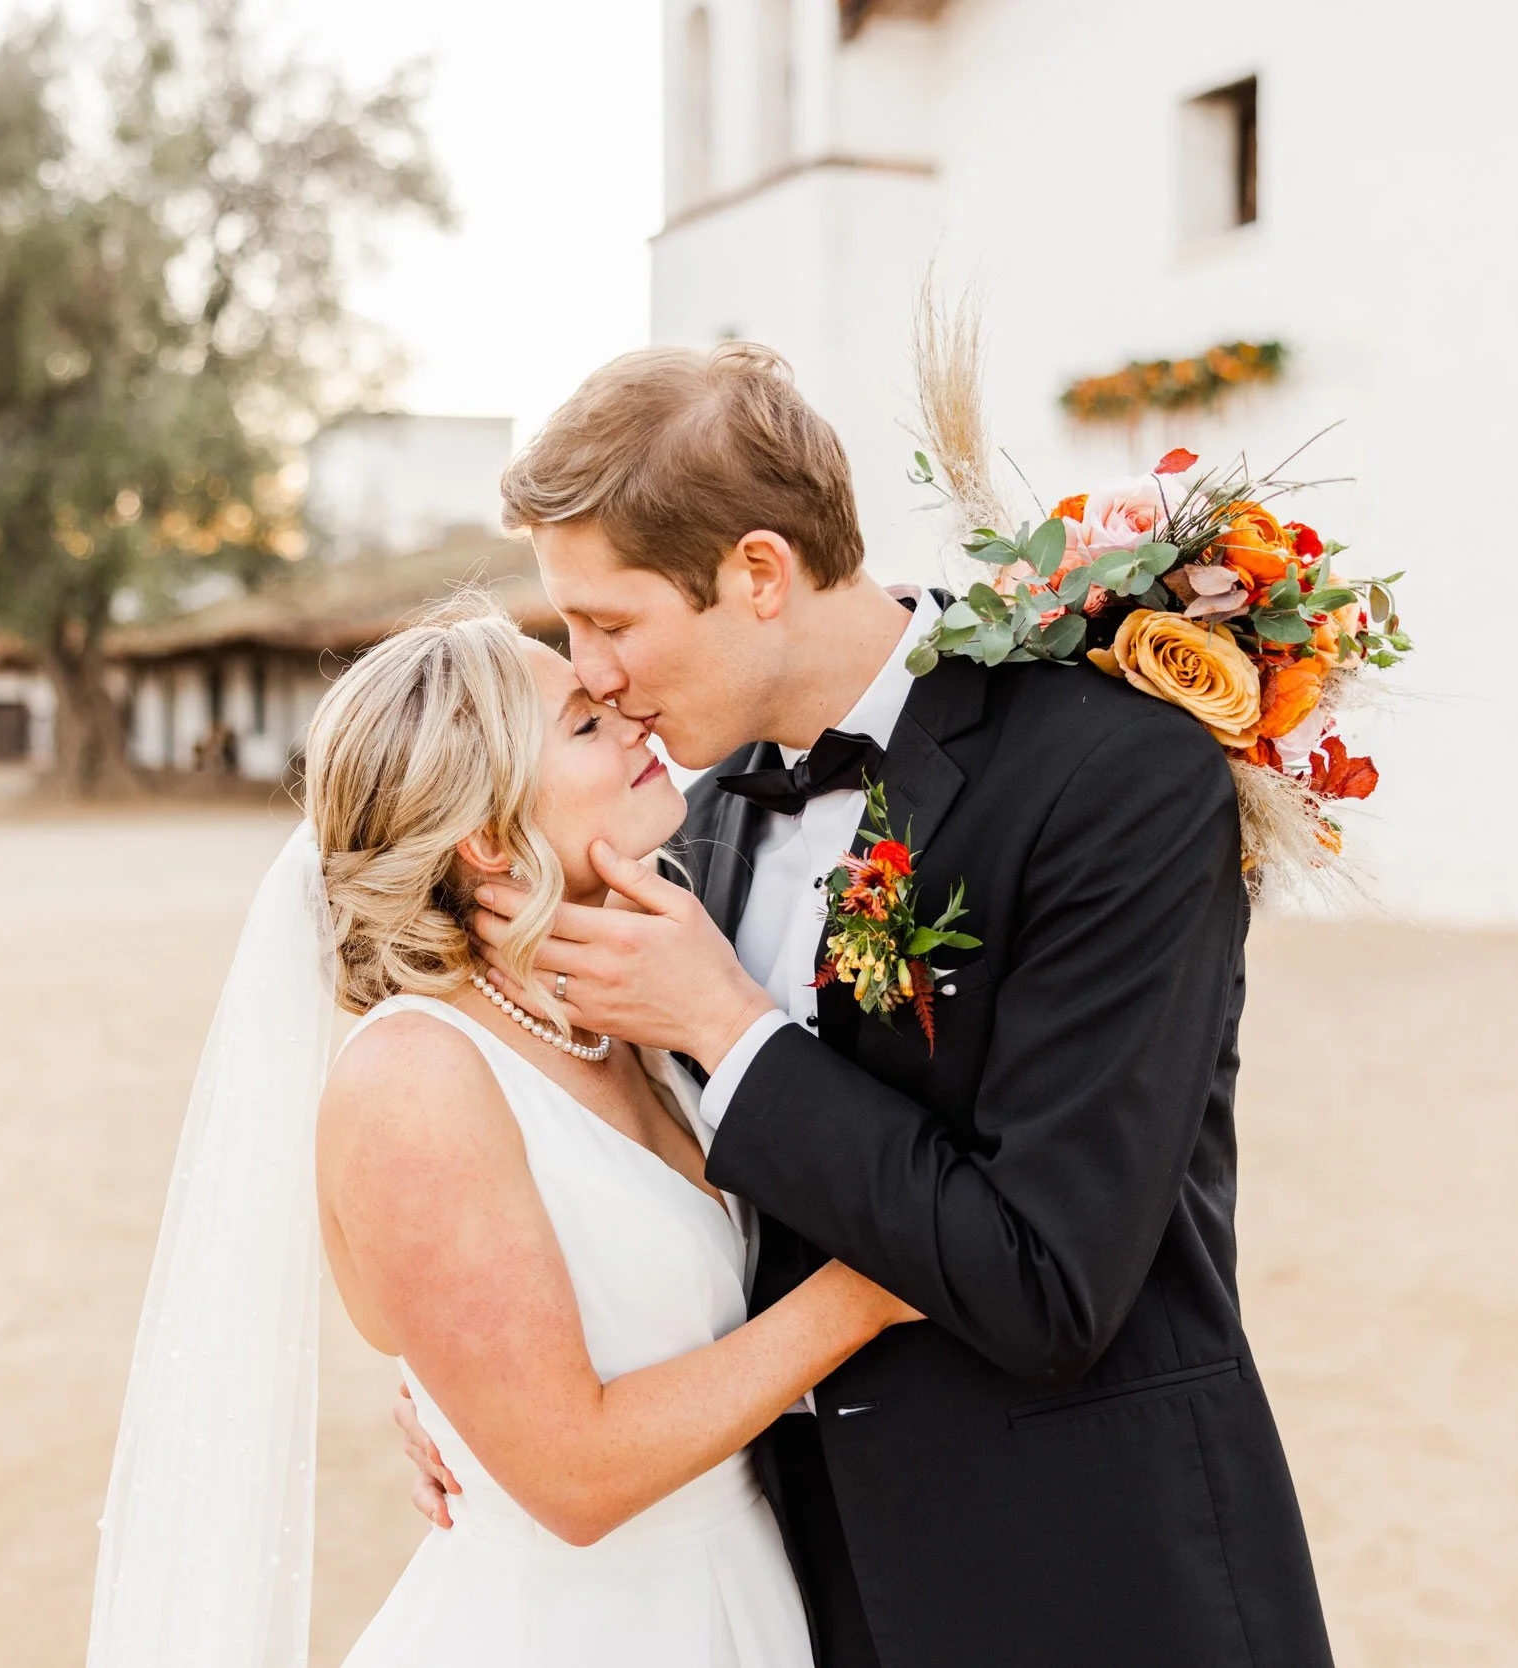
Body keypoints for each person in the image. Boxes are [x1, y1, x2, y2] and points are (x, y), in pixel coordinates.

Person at [395, 344, 1335, 1668]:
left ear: (760, 575)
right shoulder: (693, 830)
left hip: (1099, 1586)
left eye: (613, 623)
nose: (592, 673)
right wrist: (489, 1364)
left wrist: (731, 1027)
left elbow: (1051, 1281)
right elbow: (619, 1170)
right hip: (815, 1600)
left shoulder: (1113, 776)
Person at [85, 602, 916, 1668]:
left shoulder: (629, 1002)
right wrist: (876, 1287)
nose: (629, 719)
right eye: (581, 723)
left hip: (745, 1593)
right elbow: (574, 1477)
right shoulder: (414, 1078)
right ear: (483, 833)